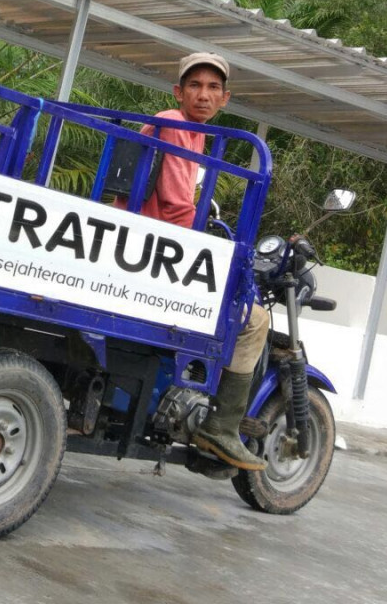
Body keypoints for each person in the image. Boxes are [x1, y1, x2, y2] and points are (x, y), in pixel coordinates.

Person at [123, 52, 268, 471]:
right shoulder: (175, 123)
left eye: (213, 88)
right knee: (254, 320)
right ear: (178, 91)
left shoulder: (195, 133)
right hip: (155, 252)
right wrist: (217, 253)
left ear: (225, 98)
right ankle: (221, 428)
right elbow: (175, 207)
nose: (203, 95)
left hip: (151, 246)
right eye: (195, 86)